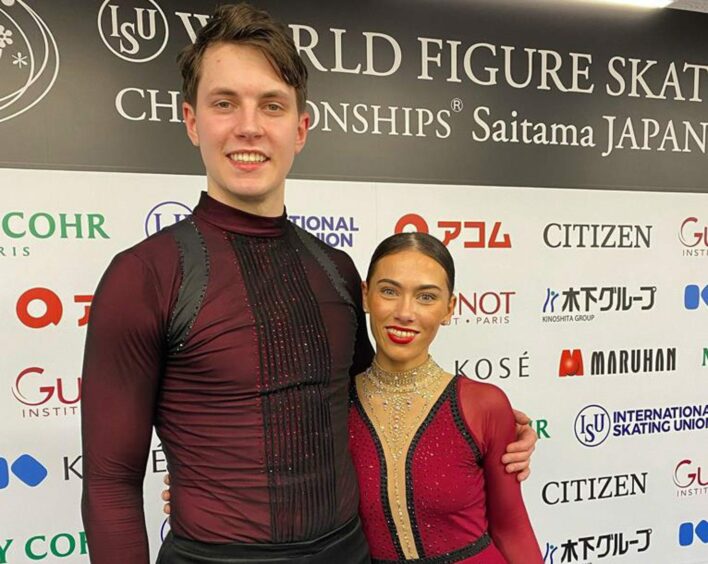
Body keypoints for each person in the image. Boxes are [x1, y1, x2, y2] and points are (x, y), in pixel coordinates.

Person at [81, 4, 537, 564]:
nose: (248, 126)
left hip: (349, 553)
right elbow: (109, 481)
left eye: (271, 105)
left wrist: (497, 435)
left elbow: (367, 408)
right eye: (225, 103)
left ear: (300, 128)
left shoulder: (338, 270)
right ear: (192, 120)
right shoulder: (145, 276)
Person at [350, 232, 542, 563]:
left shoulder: (484, 405)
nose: (405, 312)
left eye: (426, 297)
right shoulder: (334, 404)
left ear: (449, 308)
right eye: (389, 291)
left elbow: (512, 529)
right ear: (366, 296)